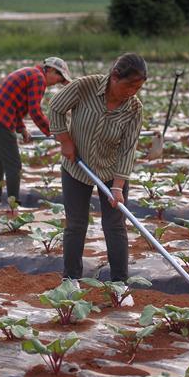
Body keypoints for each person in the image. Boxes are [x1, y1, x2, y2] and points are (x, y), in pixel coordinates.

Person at [49, 53, 146, 283]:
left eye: (138, 88)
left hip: (111, 171)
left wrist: (118, 187)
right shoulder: (85, 86)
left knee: (115, 225)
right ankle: (71, 281)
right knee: (76, 224)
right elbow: (55, 108)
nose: (132, 92)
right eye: (129, 86)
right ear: (115, 77)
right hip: (77, 166)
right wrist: (65, 140)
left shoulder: (134, 108)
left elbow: (127, 149)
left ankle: (119, 284)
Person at [0, 57, 72, 202]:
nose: (56, 83)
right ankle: (13, 204)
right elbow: (35, 111)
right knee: (14, 165)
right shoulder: (39, 78)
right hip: (0, 119)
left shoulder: (31, 73)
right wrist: (54, 131)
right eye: (58, 79)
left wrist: (21, 129)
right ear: (51, 70)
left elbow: (15, 104)